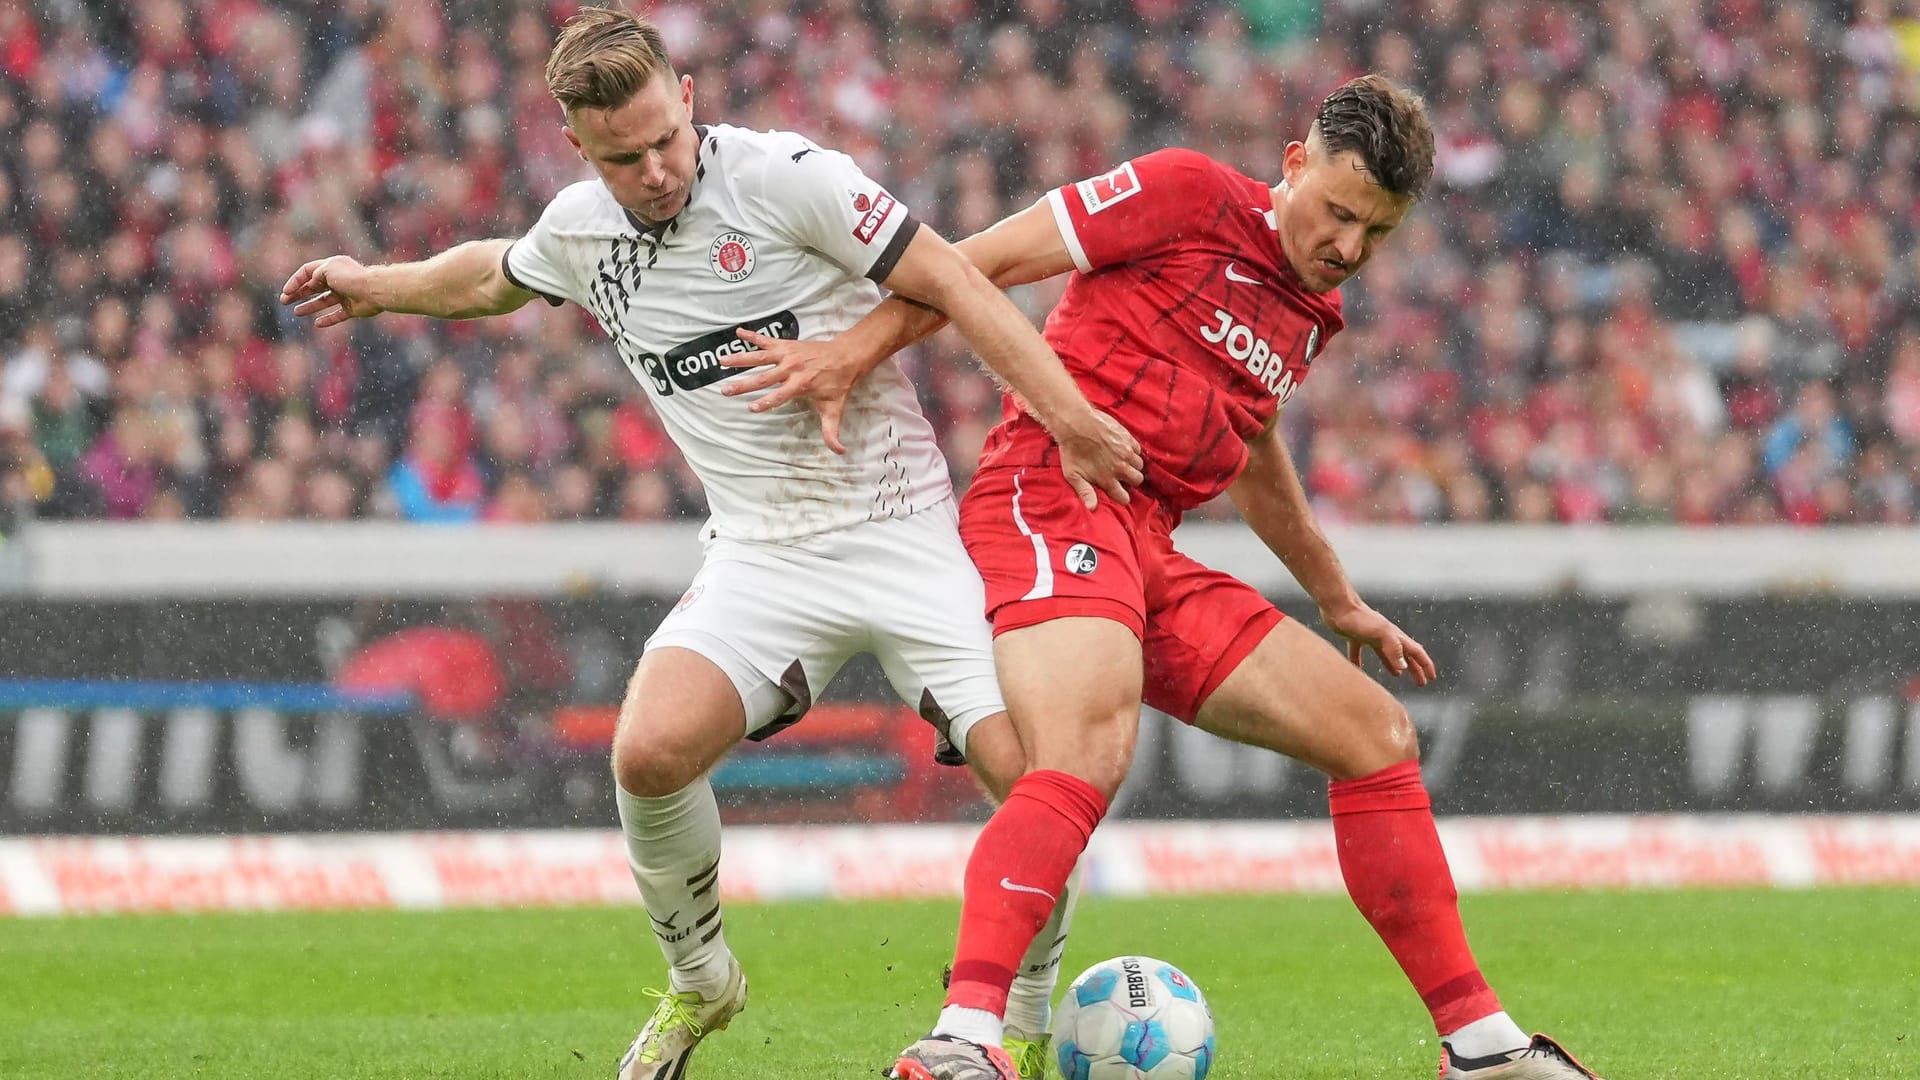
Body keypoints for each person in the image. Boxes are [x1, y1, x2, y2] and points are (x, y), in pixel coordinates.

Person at [278, 10, 1142, 1080]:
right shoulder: (584, 229)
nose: (651, 170)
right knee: (646, 752)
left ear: (688, 96)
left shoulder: (789, 178)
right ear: (578, 150)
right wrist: (376, 283)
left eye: (663, 140)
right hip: (762, 556)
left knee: (1031, 784)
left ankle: (1020, 1020)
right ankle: (702, 985)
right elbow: (493, 276)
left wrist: (1066, 415)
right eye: (621, 157)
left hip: (905, 531)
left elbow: (957, 282)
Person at [726, 76, 1606, 1080]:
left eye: (1380, 231)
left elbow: (1255, 436)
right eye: (1340, 212)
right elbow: (979, 266)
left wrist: (1332, 593)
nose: (1351, 247)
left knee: (1375, 737)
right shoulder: (1186, 194)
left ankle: (1481, 1050)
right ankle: (960, 1041)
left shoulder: (1314, 309)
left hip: (1148, 546)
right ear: (1293, 164)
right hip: (1046, 494)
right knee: (1087, 754)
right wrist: (851, 353)